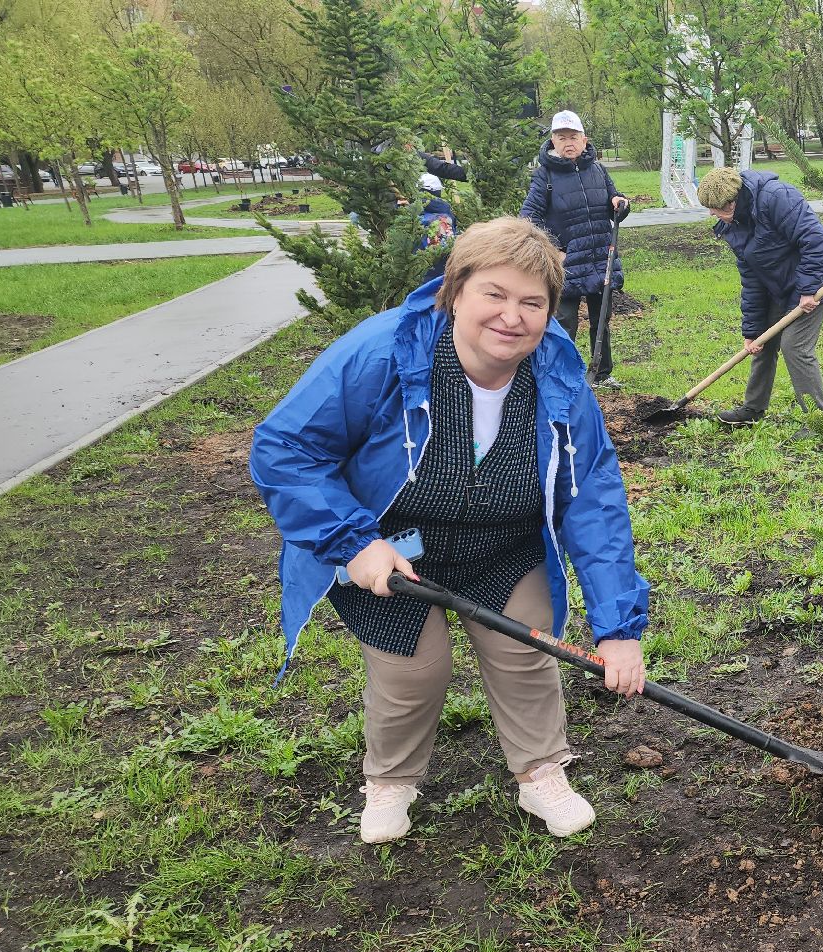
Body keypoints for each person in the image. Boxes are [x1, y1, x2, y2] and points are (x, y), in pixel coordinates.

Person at [250, 217, 650, 846]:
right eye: (494, 293)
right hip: (391, 553)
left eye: (532, 302)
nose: (511, 317)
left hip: (501, 548)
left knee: (526, 651)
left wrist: (618, 629)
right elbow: (286, 448)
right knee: (414, 671)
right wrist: (354, 543)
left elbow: (592, 500)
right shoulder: (383, 353)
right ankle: (390, 779)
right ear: (454, 291)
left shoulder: (558, 378)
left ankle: (541, 770)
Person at [695, 166, 823, 425]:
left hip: (815, 280)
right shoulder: (733, 224)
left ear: (732, 203)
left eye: (716, 209)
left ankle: (819, 422)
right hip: (778, 284)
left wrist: (807, 290)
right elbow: (751, 279)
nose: (712, 214)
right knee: (761, 343)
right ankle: (752, 410)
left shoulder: (777, 197)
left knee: (794, 346)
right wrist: (751, 330)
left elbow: (816, 242)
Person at [521, 110, 630, 389]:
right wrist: (553, 251)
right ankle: (563, 377)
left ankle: (602, 374)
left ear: (584, 139)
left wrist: (621, 203)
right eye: (561, 137)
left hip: (599, 256)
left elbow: (612, 201)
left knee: (601, 318)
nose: (568, 142)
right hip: (566, 263)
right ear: (553, 141)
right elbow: (529, 218)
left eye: (573, 137)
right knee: (564, 322)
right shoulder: (544, 176)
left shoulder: (598, 169)